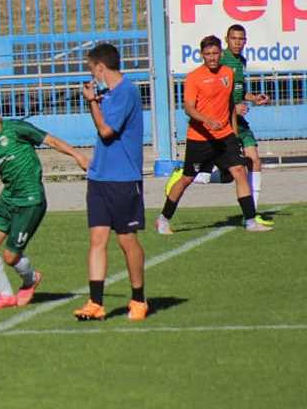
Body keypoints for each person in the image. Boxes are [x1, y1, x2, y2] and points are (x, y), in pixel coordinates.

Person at [0, 96, 88, 310]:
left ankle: (31, 279)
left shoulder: (17, 129)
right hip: (8, 199)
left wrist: (78, 156)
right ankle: (6, 296)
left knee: (10, 257)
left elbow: (51, 141)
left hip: (30, 200)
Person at [156, 36, 271, 234]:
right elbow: (188, 108)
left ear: (220, 53)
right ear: (202, 55)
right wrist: (206, 120)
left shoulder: (227, 73)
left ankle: (251, 221)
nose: (212, 57)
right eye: (208, 54)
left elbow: (230, 106)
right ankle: (163, 218)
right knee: (187, 179)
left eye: (215, 53)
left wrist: (234, 132)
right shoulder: (194, 77)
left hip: (225, 136)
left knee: (239, 171)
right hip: (200, 138)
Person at [73, 43, 147, 322]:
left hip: (123, 178)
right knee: (97, 239)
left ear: (101, 67)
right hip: (99, 177)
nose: (92, 75)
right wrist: (97, 100)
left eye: (92, 69)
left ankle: (138, 299)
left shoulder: (126, 91)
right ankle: (95, 303)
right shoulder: (110, 94)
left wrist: (92, 101)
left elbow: (106, 131)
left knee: (126, 239)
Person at [220, 24, 273, 224]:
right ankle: (188, 174)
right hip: (224, 120)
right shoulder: (221, 59)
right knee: (229, 172)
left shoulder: (241, 61)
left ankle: (251, 214)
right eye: (234, 38)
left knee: (255, 161)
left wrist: (254, 98)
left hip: (239, 121)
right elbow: (216, 94)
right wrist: (234, 108)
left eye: (241, 39)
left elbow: (239, 91)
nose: (238, 42)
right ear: (227, 39)